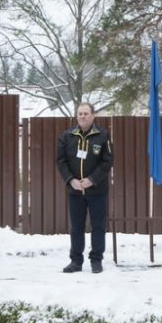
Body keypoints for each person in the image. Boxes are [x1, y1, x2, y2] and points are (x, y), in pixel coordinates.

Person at [56, 102, 113, 274]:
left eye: (86, 113)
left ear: (93, 115)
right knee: (76, 227)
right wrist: (70, 179)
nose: (82, 116)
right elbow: (61, 161)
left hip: (97, 190)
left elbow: (108, 161)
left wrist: (91, 179)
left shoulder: (103, 136)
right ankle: (76, 261)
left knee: (98, 226)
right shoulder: (67, 136)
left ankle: (96, 260)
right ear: (76, 116)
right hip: (75, 191)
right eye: (80, 113)